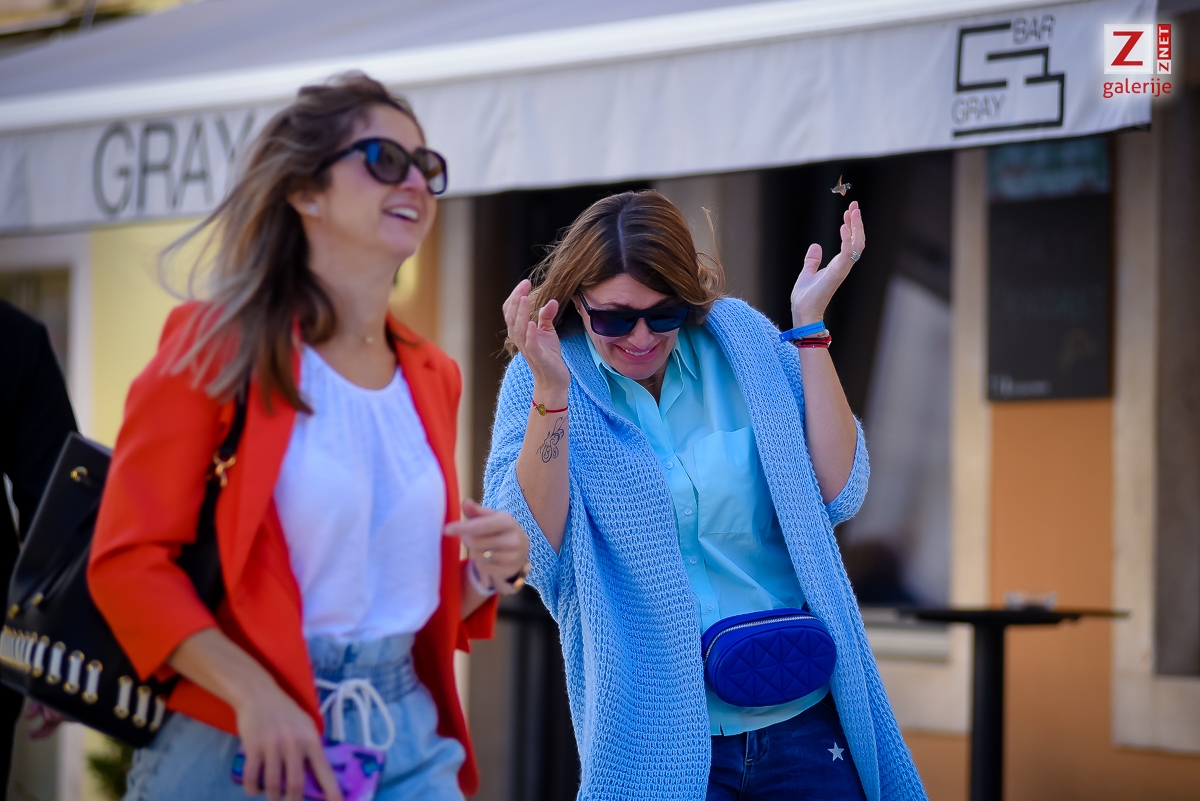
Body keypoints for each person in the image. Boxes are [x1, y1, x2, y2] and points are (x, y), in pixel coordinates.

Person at [88, 73, 529, 801]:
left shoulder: (433, 374)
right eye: (384, 158)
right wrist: (255, 695)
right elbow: (127, 563)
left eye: (426, 166)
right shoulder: (216, 347)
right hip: (246, 732)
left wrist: (485, 573)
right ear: (305, 191)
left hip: (405, 731)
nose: (414, 182)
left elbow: (392, 597)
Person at [483, 190, 926, 800]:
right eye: (615, 318)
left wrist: (809, 329)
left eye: (662, 314)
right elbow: (530, 551)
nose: (641, 336)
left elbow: (840, 490)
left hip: (804, 719)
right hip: (659, 741)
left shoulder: (740, 341)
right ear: (576, 301)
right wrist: (552, 394)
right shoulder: (541, 376)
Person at [0, 300, 78, 781]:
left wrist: (55, 649)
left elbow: (56, 507)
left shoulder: (14, 340)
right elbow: (58, 506)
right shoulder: (15, 337)